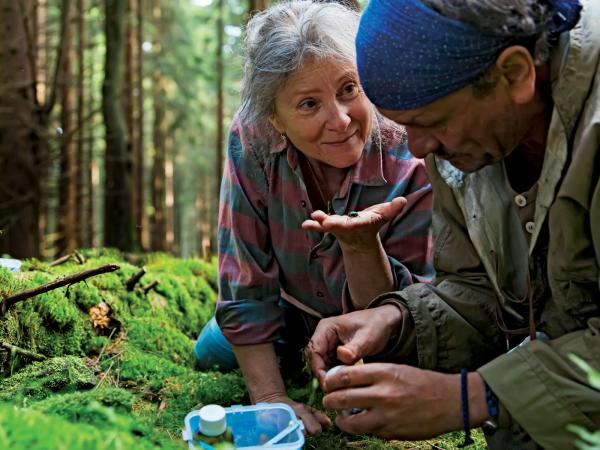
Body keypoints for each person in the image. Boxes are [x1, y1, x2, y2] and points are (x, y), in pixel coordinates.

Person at [308, 0, 600, 448]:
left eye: (431, 122)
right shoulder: (467, 143)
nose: (421, 149)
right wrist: (396, 319)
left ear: (515, 74)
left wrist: (470, 399)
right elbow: (480, 290)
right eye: (406, 127)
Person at [194, 0, 435, 436]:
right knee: (212, 350)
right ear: (274, 118)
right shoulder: (252, 137)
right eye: (309, 104)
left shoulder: (410, 143)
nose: (339, 120)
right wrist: (270, 400)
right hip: (288, 311)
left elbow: (413, 310)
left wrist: (362, 246)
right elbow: (244, 278)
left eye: (349, 89)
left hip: (384, 328)